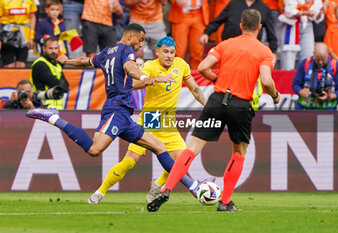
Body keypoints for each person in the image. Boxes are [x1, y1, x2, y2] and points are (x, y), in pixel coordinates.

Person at [25, 24, 186, 205]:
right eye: (140, 40)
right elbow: (131, 69)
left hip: (125, 111)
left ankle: (193, 187)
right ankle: (53, 118)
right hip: (121, 108)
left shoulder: (108, 52)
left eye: (172, 52)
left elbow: (86, 61)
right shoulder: (128, 52)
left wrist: (67, 61)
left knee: (159, 148)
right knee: (96, 150)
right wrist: (146, 78)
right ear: (131, 37)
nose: (141, 45)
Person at [147, 9, 280, 212]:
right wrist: (275, 95)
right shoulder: (264, 51)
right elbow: (266, 81)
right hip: (240, 104)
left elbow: (202, 67)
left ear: (241, 26)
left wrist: (217, 80)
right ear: (259, 28)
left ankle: (166, 188)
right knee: (238, 152)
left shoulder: (225, 44)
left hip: (216, 100)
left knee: (192, 147)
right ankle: (225, 202)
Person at [88, 36, 212, 204]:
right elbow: (132, 84)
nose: (169, 55)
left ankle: (158, 184)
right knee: (130, 161)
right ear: (157, 52)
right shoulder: (150, 66)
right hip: (150, 119)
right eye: (165, 52)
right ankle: (100, 191)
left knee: (182, 161)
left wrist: (206, 104)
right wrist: (151, 80)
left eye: (172, 52)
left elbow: (195, 89)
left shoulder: (181, 65)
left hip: (168, 122)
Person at [199, 0, 278, 61]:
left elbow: (270, 31)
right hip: (230, 49)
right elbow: (218, 20)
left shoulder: (264, 8)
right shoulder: (233, 3)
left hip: (251, 51)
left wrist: (273, 51)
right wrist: (207, 33)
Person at [292, 43, 338, 109]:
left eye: (323, 59)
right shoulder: (305, 63)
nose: (320, 62)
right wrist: (300, 91)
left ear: (327, 54)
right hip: (305, 106)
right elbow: (295, 85)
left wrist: (331, 96)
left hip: (328, 107)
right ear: (313, 53)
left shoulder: (335, 65)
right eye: (317, 59)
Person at [278, 0, 324, 70]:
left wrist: (320, 13)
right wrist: (305, 13)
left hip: (308, 25)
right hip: (291, 25)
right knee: (288, 63)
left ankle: (306, 80)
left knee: (308, 60)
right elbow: (289, 11)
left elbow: (316, 13)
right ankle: (287, 80)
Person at [167, 0, 210, 69]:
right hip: (180, 13)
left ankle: (197, 74)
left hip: (199, 14)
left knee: (198, 50)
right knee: (179, 50)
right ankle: (177, 73)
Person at [30, 37, 69, 110]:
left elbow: (66, 86)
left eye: (55, 48)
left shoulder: (57, 65)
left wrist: (60, 84)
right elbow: (54, 83)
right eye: (50, 48)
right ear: (44, 49)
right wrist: (60, 83)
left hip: (58, 108)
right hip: (43, 106)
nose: (54, 51)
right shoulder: (40, 64)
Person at [0, 0, 37, 68]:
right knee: (9, 65)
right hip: (7, 35)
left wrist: (31, 37)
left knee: (21, 64)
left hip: (24, 34)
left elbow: (32, 17)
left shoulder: (29, 1)